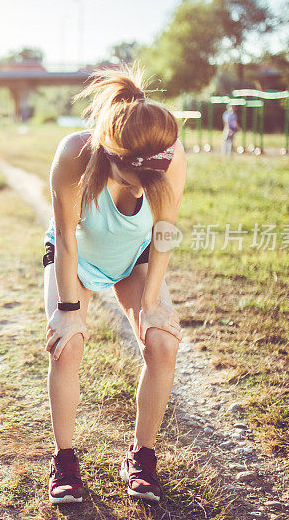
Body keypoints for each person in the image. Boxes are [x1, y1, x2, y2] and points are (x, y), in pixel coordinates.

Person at [42, 68, 186, 504]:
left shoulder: (169, 154)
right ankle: (64, 459)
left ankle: (141, 456)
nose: (151, 185)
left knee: (162, 343)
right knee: (68, 345)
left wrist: (153, 302)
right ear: (112, 154)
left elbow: (164, 230)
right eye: (139, 176)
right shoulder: (76, 154)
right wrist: (69, 312)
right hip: (76, 255)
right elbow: (67, 236)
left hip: (131, 258)